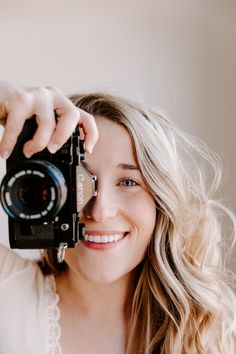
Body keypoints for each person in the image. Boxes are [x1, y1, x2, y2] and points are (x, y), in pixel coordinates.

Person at [0, 81, 235, 354]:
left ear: (161, 202)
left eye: (127, 182)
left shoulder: (210, 332)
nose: (100, 211)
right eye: (79, 181)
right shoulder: (6, 289)